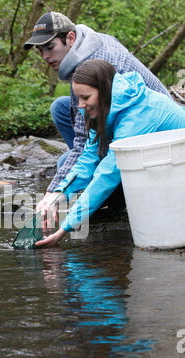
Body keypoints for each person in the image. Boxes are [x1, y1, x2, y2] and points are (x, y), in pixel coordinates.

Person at [23, 11, 172, 212]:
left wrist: (54, 192)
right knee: (60, 107)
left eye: (50, 47)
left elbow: (83, 141)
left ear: (70, 38)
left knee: (64, 162)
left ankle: (112, 193)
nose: (45, 56)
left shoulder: (92, 65)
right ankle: (90, 182)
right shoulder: (89, 43)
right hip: (124, 117)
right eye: (40, 51)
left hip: (153, 135)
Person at [34, 59, 185, 247]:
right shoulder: (102, 105)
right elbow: (88, 157)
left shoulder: (138, 115)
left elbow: (107, 174)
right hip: (159, 163)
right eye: (78, 98)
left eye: (86, 98)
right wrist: (58, 194)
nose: (80, 105)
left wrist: (66, 227)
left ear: (103, 91)